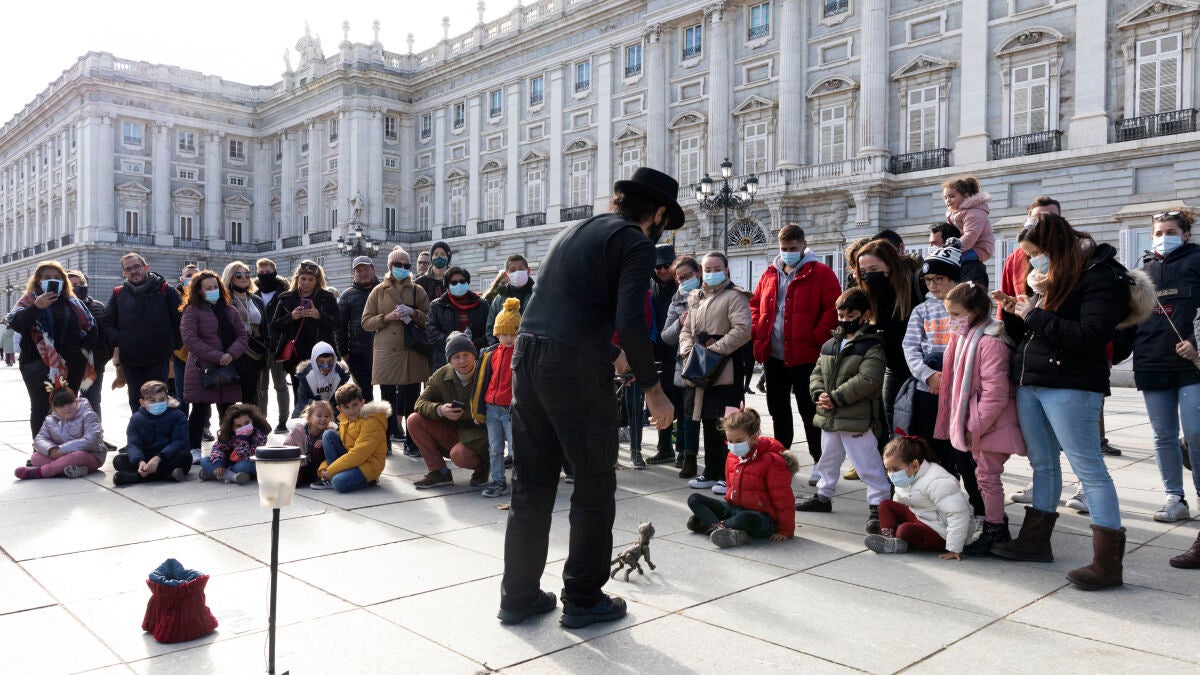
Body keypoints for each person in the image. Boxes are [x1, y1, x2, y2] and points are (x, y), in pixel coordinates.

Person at [498, 167, 678, 629]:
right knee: (594, 482)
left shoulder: (575, 231)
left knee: (532, 484)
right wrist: (654, 390)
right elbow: (630, 320)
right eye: (666, 221)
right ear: (658, 213)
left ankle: (518, 596)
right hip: (571, 368)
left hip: (527, 357)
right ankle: (582, 597)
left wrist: (611, 353)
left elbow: (561, 310)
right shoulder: (635, 241)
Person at [993, 212, 1152, 591]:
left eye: (1037, 253)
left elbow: (1091, 336)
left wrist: (1034, 315)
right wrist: (1015, 313)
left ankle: (1107, 563)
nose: (1033, 261)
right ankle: (1035, 541)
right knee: (1042, 464)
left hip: (1072, 383)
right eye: (1029, 255)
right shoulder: (1049, 278)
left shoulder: (1100, 275)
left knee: (1089, 468)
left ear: (1056, 247)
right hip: (1033, 379)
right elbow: (1035, 331)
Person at [1122, 209, 1200, 523]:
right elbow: (1129, 320)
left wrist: (1196, 345)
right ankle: (1174, 498)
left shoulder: (1197, 260)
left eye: (1170, 232)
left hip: (1191, 365)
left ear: (1185, 235)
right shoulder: (1142, 271)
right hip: (1151, 362)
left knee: (1195, 433)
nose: (1163, 238)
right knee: (1163, 435)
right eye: (1158, 233)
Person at [936, 281, 1025, 556]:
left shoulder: (990, 343)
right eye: (949, 314)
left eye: (956, 314)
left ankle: (995, 529)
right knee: (984, 477)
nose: (951, 320)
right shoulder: (965, 339)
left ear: (975, 312)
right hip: (981, 423)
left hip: (990, 424)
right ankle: (995, 526)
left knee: (987, 478)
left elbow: (995, 394)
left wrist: (975, 427)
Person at [900, 239, 986, 516]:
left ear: (953, 278)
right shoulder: (921, 310)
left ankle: (980, 508)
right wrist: (928, 376)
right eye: (928, 280)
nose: (933, 285)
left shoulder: (965, 309)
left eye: (939, 279)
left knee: (964, 454)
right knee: (932, 452)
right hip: (928, 392)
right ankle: (942, 505)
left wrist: (951, 380)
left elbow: (970, 346)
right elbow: (910, 348)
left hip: (959, 393)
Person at [749, 224, 840, 483]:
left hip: (806, 356)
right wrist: (758, 331)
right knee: (778, 410)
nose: (788, 252)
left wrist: (815, 338)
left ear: (803, 245)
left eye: (792, 248)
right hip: (775, 356)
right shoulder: (769, 274)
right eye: (783, 248)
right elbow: (755, 305)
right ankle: (782, 458)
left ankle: (820, 462)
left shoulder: (821, 273)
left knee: (810, 411)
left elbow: (832, 309)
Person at [796, 288, 891, 534]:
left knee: (867, 463)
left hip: (857, 418)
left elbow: (868, 379)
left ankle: (879, 504)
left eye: (851, 315)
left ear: (865, 315)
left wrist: (836, 398)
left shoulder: (872, 345)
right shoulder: (830, 344)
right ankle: (823, 496)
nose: (845, 319)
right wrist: (819, 394)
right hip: (830, 416)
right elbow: (816, 373)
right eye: (841, 314)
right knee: (828, 459)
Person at [678, 251, 752, 494]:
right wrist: (688, 351)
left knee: (728, 422)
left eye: (717, 268)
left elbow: (742, 330)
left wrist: (714, 351)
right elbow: (686, 329)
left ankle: (728, 475)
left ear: (726, 269)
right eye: (707, 269)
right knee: (707, 419)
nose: (712, 273)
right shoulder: (696, 297)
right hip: (700, 366)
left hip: (726, 367)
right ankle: (711, 471)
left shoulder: (735, 296)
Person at [6, 261, 99, 436]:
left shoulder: (73, 302)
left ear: (64, 281)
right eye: (47, 277)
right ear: (38, 281)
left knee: (68, 406)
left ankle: (66, 444)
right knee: (41, 407)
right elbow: (17, 324)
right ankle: (41, 447)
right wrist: (36, 307)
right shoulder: (29, 300)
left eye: (57, 277)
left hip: (72, 364)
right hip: (37, 364)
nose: (53, 280)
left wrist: (83, 351)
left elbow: (92, 328)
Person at [684, 408, 797, 548]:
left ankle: (713, 525)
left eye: (739, 441)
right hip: (734, 509)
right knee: (694, 498)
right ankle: (721, 529)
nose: (733, 445)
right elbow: (730, 489)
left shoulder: (772, 461)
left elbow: (784, 499)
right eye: (730, 441)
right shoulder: (732, 456)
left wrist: (785, 530)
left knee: (744, 518)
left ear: (753, 438)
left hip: (761, 517)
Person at [362, 246, 432, 457]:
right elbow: (366, 322)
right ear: (390, 266)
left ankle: (412, 442)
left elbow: (429, 319)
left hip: (412, 350)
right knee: (387, 400)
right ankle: (385, 441)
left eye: (406, 265)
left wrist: (412, 313)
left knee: (412, 399)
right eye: (397, 264)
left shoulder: (417, 290)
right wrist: (386, 318)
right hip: (386, 352)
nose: (402, 268)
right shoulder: (378, 290)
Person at [866, 436, 977, 558]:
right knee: (885, 504)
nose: (891, 474)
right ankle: (889, 538)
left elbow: (958, 514)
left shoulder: (938, 481)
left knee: (905, 530)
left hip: (941, 531)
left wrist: (954, 547)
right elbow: (899, 501)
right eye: (888, 470)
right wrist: (891, 519)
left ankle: (899, 537)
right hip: (919, 515)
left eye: (895, 469)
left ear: (915, 465)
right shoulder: (907, 475)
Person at [856, 240, 919, 451]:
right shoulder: (871, 291)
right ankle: (895, 465)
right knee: (891, 421)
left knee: (916, 423)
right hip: (893, 366)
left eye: (874, 269)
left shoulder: (913, 283)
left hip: (919, 367)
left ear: (890, 264)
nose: (868, 275)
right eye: (863, 271)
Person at [180, 270, 249, 462]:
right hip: (202, 368)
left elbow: (242, 336)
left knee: (227, 410)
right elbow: (190, 340)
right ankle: (194, 448)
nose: (213, 290)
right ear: (199, 291)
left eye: (215, 287)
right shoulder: (191, 311)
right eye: (208, 288)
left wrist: (230, 354)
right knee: (199, 409)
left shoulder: (230, 310)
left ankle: (227, 446)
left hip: (227, 367)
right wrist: (217, 356)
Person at [408, 332, 491, 488]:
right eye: (456, 357)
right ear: (450, 360)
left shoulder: (486, 372)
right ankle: (439, 472)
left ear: (474, 355)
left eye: (466, 355)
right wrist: (440, 410)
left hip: (482, 432)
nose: (462, 361)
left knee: (459, 455)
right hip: (454, 430)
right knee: (414, 420)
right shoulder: (441, 375)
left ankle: (483, 466)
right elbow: (420, 403)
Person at [104, 253, 183, 413]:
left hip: (158, 359)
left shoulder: (165, 290)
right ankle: (140, 429)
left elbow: (181, 321)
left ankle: (160, 429)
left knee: (158, 402)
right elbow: (107, 323)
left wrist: (171, 347)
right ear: (124, 273)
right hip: (131, 361)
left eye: (136, 266)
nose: (134, 271)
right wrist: (121, 340)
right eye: (128, 269)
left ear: (146, 267)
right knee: (136, 402)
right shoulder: (118, 293)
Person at [474, 298, 521, 497]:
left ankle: (522, 483)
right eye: (504, 333)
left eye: (513, 333)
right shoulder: (490, 354)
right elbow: (480, 384)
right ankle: (498, 481)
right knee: (495, 449)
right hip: (492, 409)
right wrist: (478, 410)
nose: (508, 338)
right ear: (497, 333)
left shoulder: (522, 354)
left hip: (512, 410)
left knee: (517, 450)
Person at [271, 259, 339, 394]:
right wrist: (291, 316)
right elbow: (275, 324)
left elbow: (337, 323)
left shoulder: (327, 297)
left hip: (321, 354)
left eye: (310, 279)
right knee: (299, 394)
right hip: (296, 354)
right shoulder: (286, 298)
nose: (306, 283)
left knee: (322, 393)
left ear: (317, 281)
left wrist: (319, 315)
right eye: (303, 279)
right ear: (297, 278)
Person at [660, 256, 702, 471]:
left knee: (716, 415)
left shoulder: (712, 294)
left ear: (699, 272)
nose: (685, 281)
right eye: (680, 278)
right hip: (688, 363)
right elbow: (666, 336)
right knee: (688, 414)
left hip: (716, 360)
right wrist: (680, 322)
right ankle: (686, 455)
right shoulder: (676, 300)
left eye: (688, 276)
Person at [310, 382, 391, 493]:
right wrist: (325, 468)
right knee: (328, 435)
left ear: (362, 403)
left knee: (338, 482)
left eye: (355, 405)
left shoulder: (371, 422)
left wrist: (331, 470)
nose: (351, 411)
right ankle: (331, 477)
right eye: (346, 407)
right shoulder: (345, 420)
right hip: (354, 460)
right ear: (339, 409)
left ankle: (369, 480)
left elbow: (359, 453)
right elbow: (344, 447)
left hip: (369, 464)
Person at [16, 385, 105, 479]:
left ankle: (42, 472)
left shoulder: (89, 415)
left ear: (75, 401)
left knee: (78, 455)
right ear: (54, 408)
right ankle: (76, 470)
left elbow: (92, 440)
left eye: (70, 403)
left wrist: (62, 449)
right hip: (61, 456)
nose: (67, 408)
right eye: (61, 406)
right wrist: (51, 450)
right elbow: (39, 439)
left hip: (90, 456)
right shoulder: (50, 420)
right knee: (35, 457)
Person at [113, 380, 190, 485]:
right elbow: (133, 444)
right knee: (118, 461)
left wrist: (158, 458)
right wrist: (140, 461)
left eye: (161, 400)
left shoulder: (177, 415)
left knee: (185, 457)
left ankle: (137, 477)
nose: (157, 403)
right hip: (146, 457)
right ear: (142, 402)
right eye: (152, 401)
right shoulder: (136, 419)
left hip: (167, 457)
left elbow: (179, 441)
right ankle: (167, 475)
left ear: (167, 399)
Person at [647, 245, 680, 464]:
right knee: (662, 401)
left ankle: (684, 450)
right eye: (657, 266)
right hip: (659, 352)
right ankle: (665, 448)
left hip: (680, 351)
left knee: (682, 404)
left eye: (666, 265)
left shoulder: (681, 286)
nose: (662, 270)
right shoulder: (652, 286)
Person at [66, 270, 112, 419]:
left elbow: (107, 335)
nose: (79, 287)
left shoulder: (98, 306)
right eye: (73, 284)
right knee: (67, 401)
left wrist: (104, 356)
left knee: (92, 401)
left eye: (82, 283)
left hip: (94, 364)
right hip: (69, 364)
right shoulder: (62, 307)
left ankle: (95, 432)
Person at [223, 261, 268, 408]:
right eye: (238, 275)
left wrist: (265, 349)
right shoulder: (223, 300)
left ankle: (251, 424)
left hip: (253, 355)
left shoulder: (256, 299)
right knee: (227, 401)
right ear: (230, 277)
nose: (244, 277)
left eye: (247, 274)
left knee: (251, 400)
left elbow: (265, 327)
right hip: (232, 354)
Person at [254, 258, 292, 433]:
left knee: (280, 385)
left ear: (274, 272)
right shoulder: (254, 294)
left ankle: (283, 420)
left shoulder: (285, 294)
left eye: (267, 272)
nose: (264, 275)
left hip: (278, 346)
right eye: (261, 273)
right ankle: (262, 421)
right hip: (260, 346)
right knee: (261, 387)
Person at [337, 256, 380, 402]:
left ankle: (390, 418)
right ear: (353, 274)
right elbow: (340, 327)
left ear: (373, 270)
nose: (363, 273)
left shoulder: (384, 290)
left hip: (385, 351)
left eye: (366, 269)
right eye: (359, 270)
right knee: (364, 395)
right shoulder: (347, 295)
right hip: (359, 354)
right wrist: (343, 352)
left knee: (389, 392)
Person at [428, 266, 490, 369]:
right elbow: (431, 331)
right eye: (454, 282)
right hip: (445, 361)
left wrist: (474, 343)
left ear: (467, 282)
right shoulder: (437, 305)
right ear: (447, 285)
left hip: (477, 358)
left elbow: (489, 330)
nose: (459, 284)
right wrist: (451, 341)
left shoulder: (481, 304)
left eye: (462, 281)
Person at [942, 176, 994, 285]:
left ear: (965, 196)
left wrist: (952, 250)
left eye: (952, 196)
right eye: (945, 197)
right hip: (967, 246)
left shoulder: (974, 212)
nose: (948, 200)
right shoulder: (955, 212)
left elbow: (970, 236)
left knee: (953, 262)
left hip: (980, 248)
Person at [200, 403, 270, 485]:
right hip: (227, 463)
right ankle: (233, 476)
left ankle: (215, 474)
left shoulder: (259, 436)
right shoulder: (228, 435)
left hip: (244, 464)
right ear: (232, 427)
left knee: (246, 466)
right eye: (238, 426)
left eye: (247, 423)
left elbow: (248, 457)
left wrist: (242, 439)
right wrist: (218, 464)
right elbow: (218, 449)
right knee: (205, 460)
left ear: (252, 421)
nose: (244, 427)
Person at [485, 254, 536, 344]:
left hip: (532, 348)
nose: (517, 273)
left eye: (521, 269)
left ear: (528, 271)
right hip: (505, 349)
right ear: (506, 274)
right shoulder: (499, 299)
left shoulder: (538, 295)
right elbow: (490, 328)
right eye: (512, 270)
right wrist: (498, 349)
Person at [285, 399, 337, 487]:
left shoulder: (329, 432)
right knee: (294, 482)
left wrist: (325, 441)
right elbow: (287, 448)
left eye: (326, 416)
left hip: (317, 466)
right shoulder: (299, 431)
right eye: (319, 416)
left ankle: (318, 476)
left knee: (317, 447)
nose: (323, 419)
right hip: (301, 464)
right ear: (309, 418)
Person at [291, 341, 351, 417]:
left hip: (334, 414)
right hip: (311, 414)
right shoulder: (306, 377)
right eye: (321, 362)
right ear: (314, 361)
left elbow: (343, 402)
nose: (326, 366)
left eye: (330, 361)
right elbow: (302, 404)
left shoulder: (340, 375)